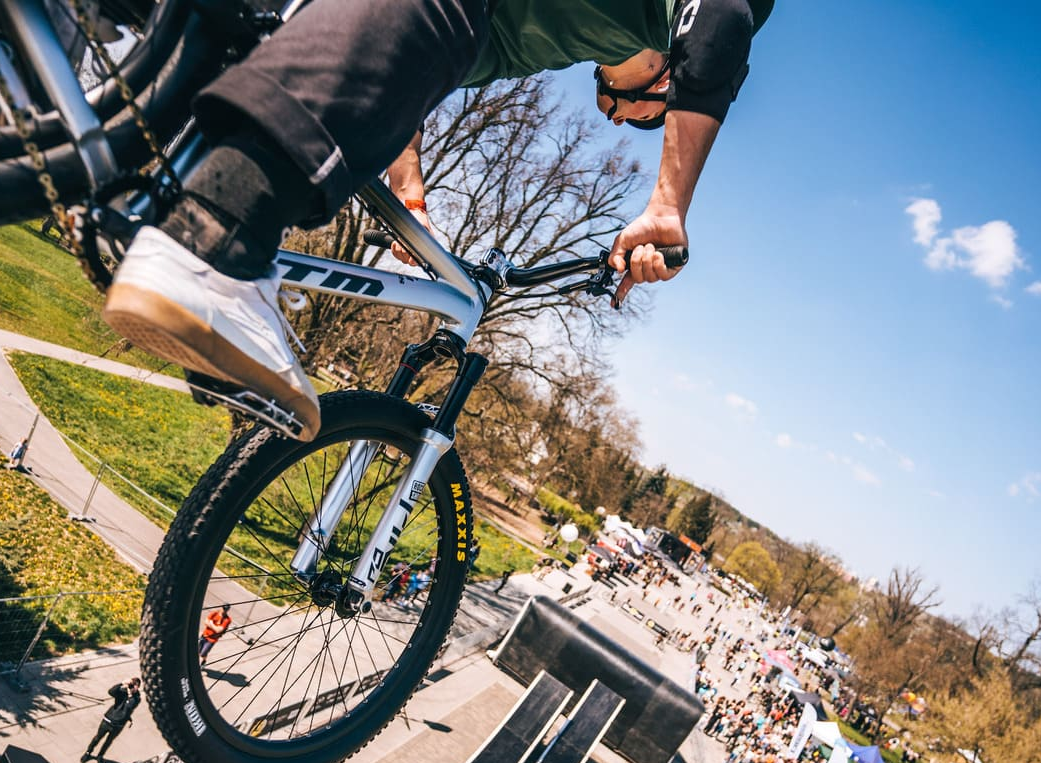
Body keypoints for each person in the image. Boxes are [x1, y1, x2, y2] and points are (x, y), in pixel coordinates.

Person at [100, 0, 776, 440]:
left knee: (271, 37)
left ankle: (109, 165)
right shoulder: (670, 18)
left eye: (626, 117)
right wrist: (667, 207)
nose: (611, 116)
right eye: (640, 115)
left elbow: (395, 61)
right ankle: (216, 239)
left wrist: (411, 189)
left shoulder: (524, 37)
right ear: (669, 79)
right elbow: (723, 18)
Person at [82, 677, 141, 763]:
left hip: (118, 725)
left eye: (135, 686)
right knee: (97, 737)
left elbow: (129, 706)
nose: (132, 687)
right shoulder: (123, 691)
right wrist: (122, 683)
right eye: (132, 685)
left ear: (138, 687)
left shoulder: (137, 698)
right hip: (108, 720)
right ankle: (88, 752)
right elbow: (111, 692)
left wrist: (130, 694)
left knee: (108, 742)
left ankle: (100, 756)